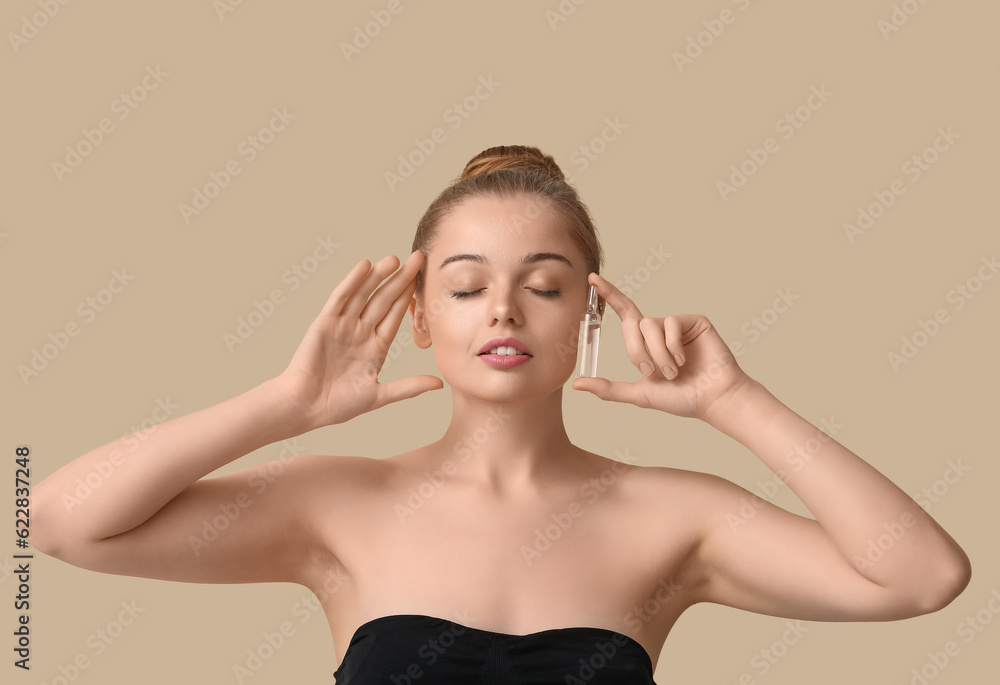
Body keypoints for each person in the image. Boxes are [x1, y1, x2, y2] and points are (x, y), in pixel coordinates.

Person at [33, 145, 971, 684]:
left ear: (590, 316)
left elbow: (923, 576)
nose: (504, 312)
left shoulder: (676, 515)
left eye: (547, 286)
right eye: (468, 284)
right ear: (419, 314)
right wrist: (283, 406)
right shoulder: (338, 503)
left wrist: (735, 401)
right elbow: (59, 519)